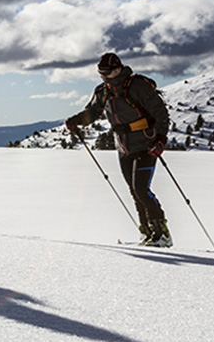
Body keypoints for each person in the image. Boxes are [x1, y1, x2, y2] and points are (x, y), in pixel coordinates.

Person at [65, 52, 171, 246]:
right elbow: (93, 113)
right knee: (134, 190)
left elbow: (160, 113)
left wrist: (161, 140)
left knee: (141, 188)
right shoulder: (103, 91)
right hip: (123, 146)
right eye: (100, 73)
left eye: (107, 73)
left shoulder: (138, 86)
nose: (104, 77)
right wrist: (76, 121)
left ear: (118, 69)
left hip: (146, 144)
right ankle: (146, 232)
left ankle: (162, 232)